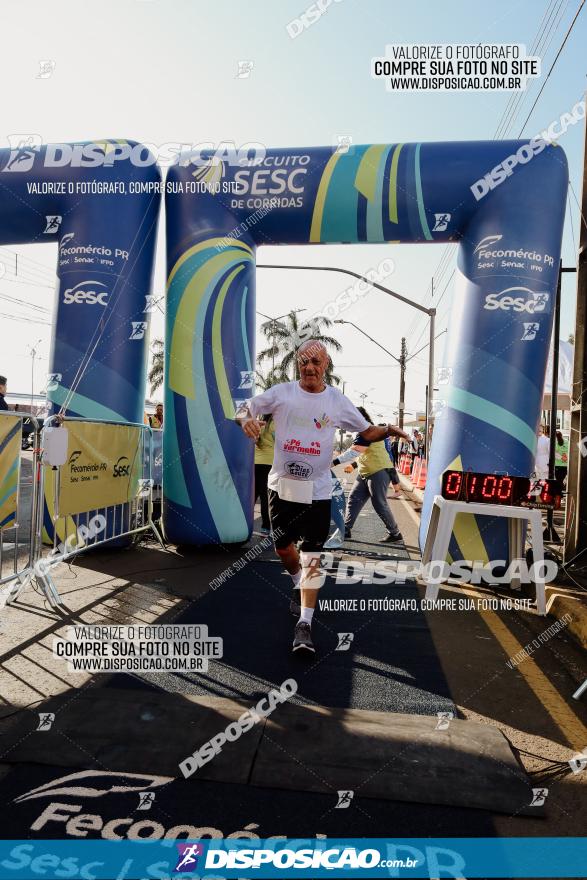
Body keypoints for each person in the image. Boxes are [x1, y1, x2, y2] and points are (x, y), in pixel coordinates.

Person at [238, 339, 409, 654]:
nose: (310, 367)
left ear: (326, 365)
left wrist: (387, 429)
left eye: (316, 362)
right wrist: (245, 419)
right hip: (282, 487)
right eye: (304, 362)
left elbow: (365, 431)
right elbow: (244, 407)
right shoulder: (282, 393)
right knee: (283, 547)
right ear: (298, 365)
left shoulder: (336, 400)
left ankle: (305, 623)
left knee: (312, 554)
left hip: (317, 489)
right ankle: (297, 583)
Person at [333, 407, 404, 543]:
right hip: (365, 472)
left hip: (379, 470)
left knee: (379, 503)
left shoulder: (369, 431)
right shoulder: (364, 431)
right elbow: (362, 453)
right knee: (354, 499)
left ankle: (395, 533)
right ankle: (346, 529)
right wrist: (354, 466)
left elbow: (355, 451)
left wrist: (334, 462)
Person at [254, 415, 274, 533]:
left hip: (256, 462)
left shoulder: (257, 422)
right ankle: (265, 526)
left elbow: (254, 440)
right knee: (264, 496)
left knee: (253, 494)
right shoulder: (275, 424)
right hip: (269, 462)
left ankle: (246, 523)